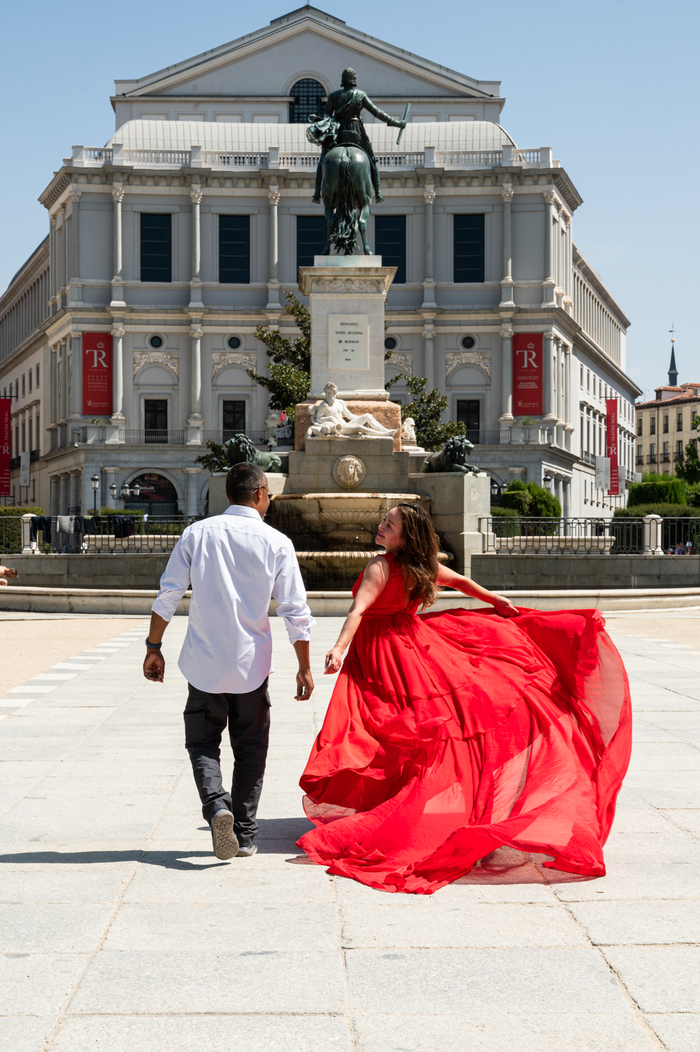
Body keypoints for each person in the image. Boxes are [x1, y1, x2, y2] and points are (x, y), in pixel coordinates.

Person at [298, 503, 632, 894]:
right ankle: (407, 797)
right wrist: (496, 602)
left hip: (381, 651)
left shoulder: (381, 566)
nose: (381, 526)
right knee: (418, 725)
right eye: (384, 522)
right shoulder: (422, 567)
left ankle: (399, 805)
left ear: (406, 537)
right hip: (413, 645)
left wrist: (339, 648)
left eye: (389, 525)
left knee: (380, 725)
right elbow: (464, 584)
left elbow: (358, 610)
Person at [144, 463, 315, 861]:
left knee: (202, 743)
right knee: (251, 748)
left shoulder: (196, 534)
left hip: (204, 663)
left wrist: (154, 646)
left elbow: (168, 594)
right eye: (268, 493)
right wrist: (303, 665)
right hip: (251, 666)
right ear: (259, 493)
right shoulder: (276, 542)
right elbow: (295, 611)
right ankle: (246, 834)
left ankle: (217, 806)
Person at [311, 67, 406, 204]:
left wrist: (320, 122)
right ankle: (378, 192)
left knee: (323, 161)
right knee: (371, 160)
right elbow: (377, 112)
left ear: (342, 81)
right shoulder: (360, 95)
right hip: (356, 131)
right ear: (354, 81)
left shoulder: (334, 96)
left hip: (337, 132)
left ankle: (316, 194)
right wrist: (396, 123)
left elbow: (327, 116)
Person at [307, 382, 398, 439]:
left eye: (330, 393)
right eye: (327, 393)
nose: (328, 396)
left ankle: (385, 430)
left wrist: (361, 419)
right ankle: (383, 435)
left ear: (335, 393)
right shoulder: (324, 405)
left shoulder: (340, 403)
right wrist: (330, 418)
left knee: (367, 416)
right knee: (360, 428)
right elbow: (318, 420)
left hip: (346, 425)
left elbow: (349, 416)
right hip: (339, 429)